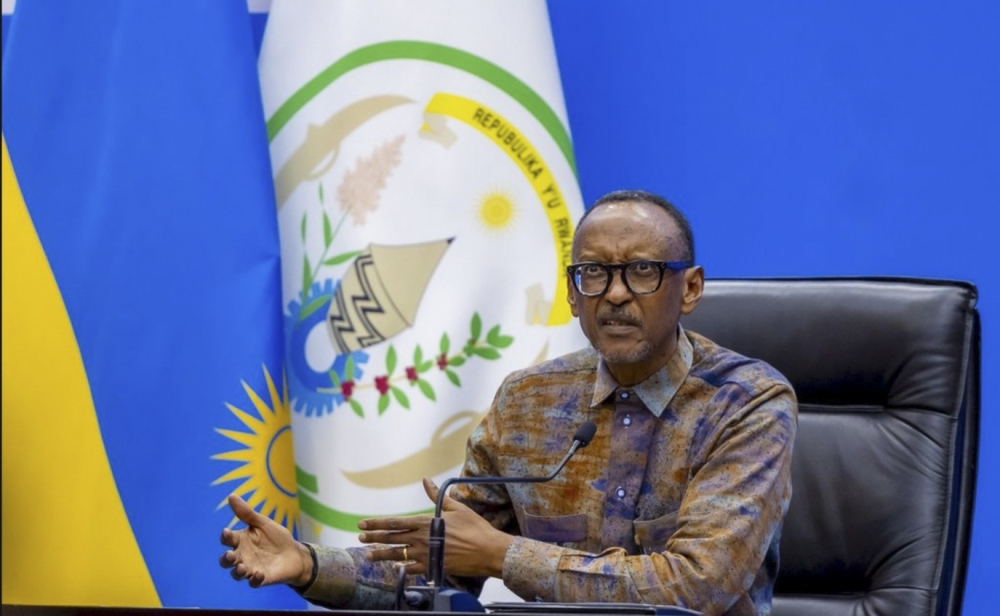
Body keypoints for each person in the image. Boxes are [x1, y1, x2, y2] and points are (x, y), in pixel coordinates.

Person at [220, 189, 797, 616]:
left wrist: (505, 556)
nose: (616, 294)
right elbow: (442, 564)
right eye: (594, 274)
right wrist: (309, 564)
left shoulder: (748, 404)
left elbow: (697, 587)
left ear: (689, 288)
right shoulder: (529, 400)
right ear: (572, 294)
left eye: (643, 272)